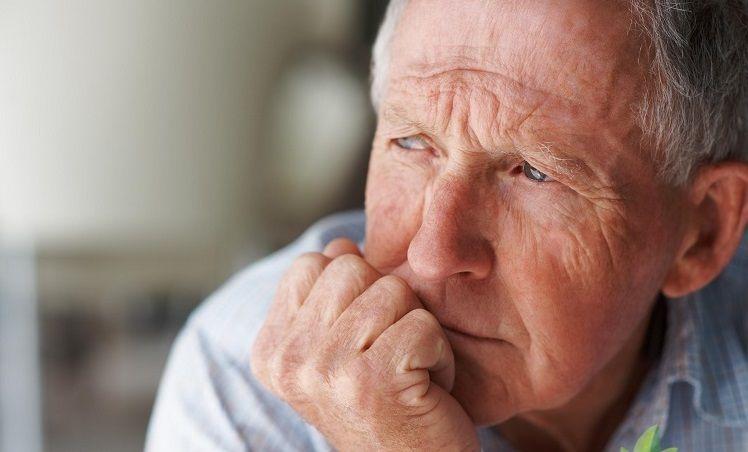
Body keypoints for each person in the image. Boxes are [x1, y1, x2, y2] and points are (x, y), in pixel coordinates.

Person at [145, 1, 748, 450]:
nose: (432, 254)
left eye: (535, 173)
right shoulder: (242, 382)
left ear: (702, 232)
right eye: (412, 143)